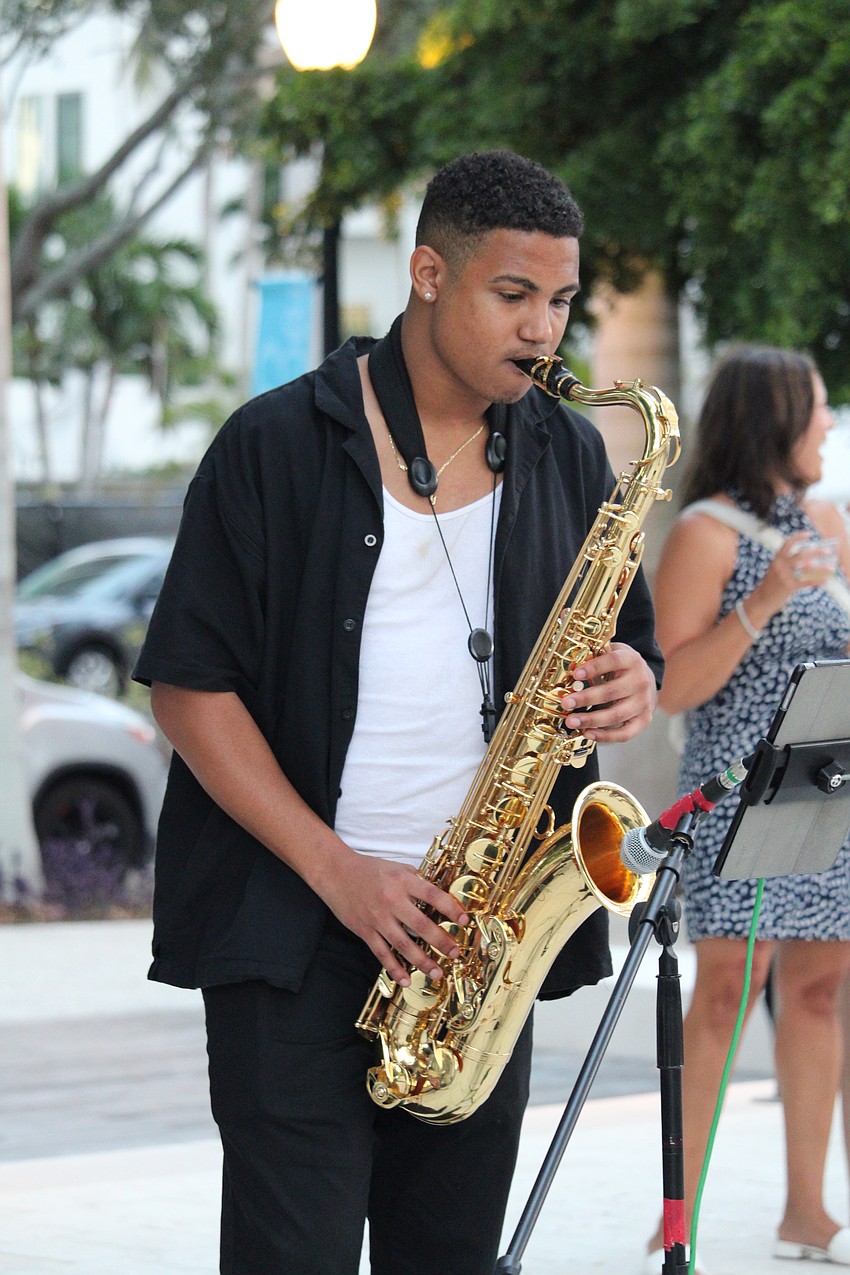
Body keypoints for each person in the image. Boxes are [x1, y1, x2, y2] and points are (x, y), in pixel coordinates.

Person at [133, 148, 664, 1275]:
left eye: (560, 299)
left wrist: (635, 679)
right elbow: (189, 685)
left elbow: (631, 639)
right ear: (428, 273)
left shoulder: (569, 450)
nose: (543, 329)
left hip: (474, 945)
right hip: (297, 934)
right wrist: (340, 873)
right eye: (512, 294)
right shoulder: (274, 445)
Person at [645, 345, 850, 1273]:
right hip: (734, 794)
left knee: (819, 991)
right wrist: (764, 601)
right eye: (816, 408)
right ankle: (676, 1215)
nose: (828, 424)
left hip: (823, 783)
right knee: (726, 993)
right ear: (774, 419)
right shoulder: (707, 532)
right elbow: (671, 684)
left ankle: (808, 1210)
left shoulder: (829, 521)